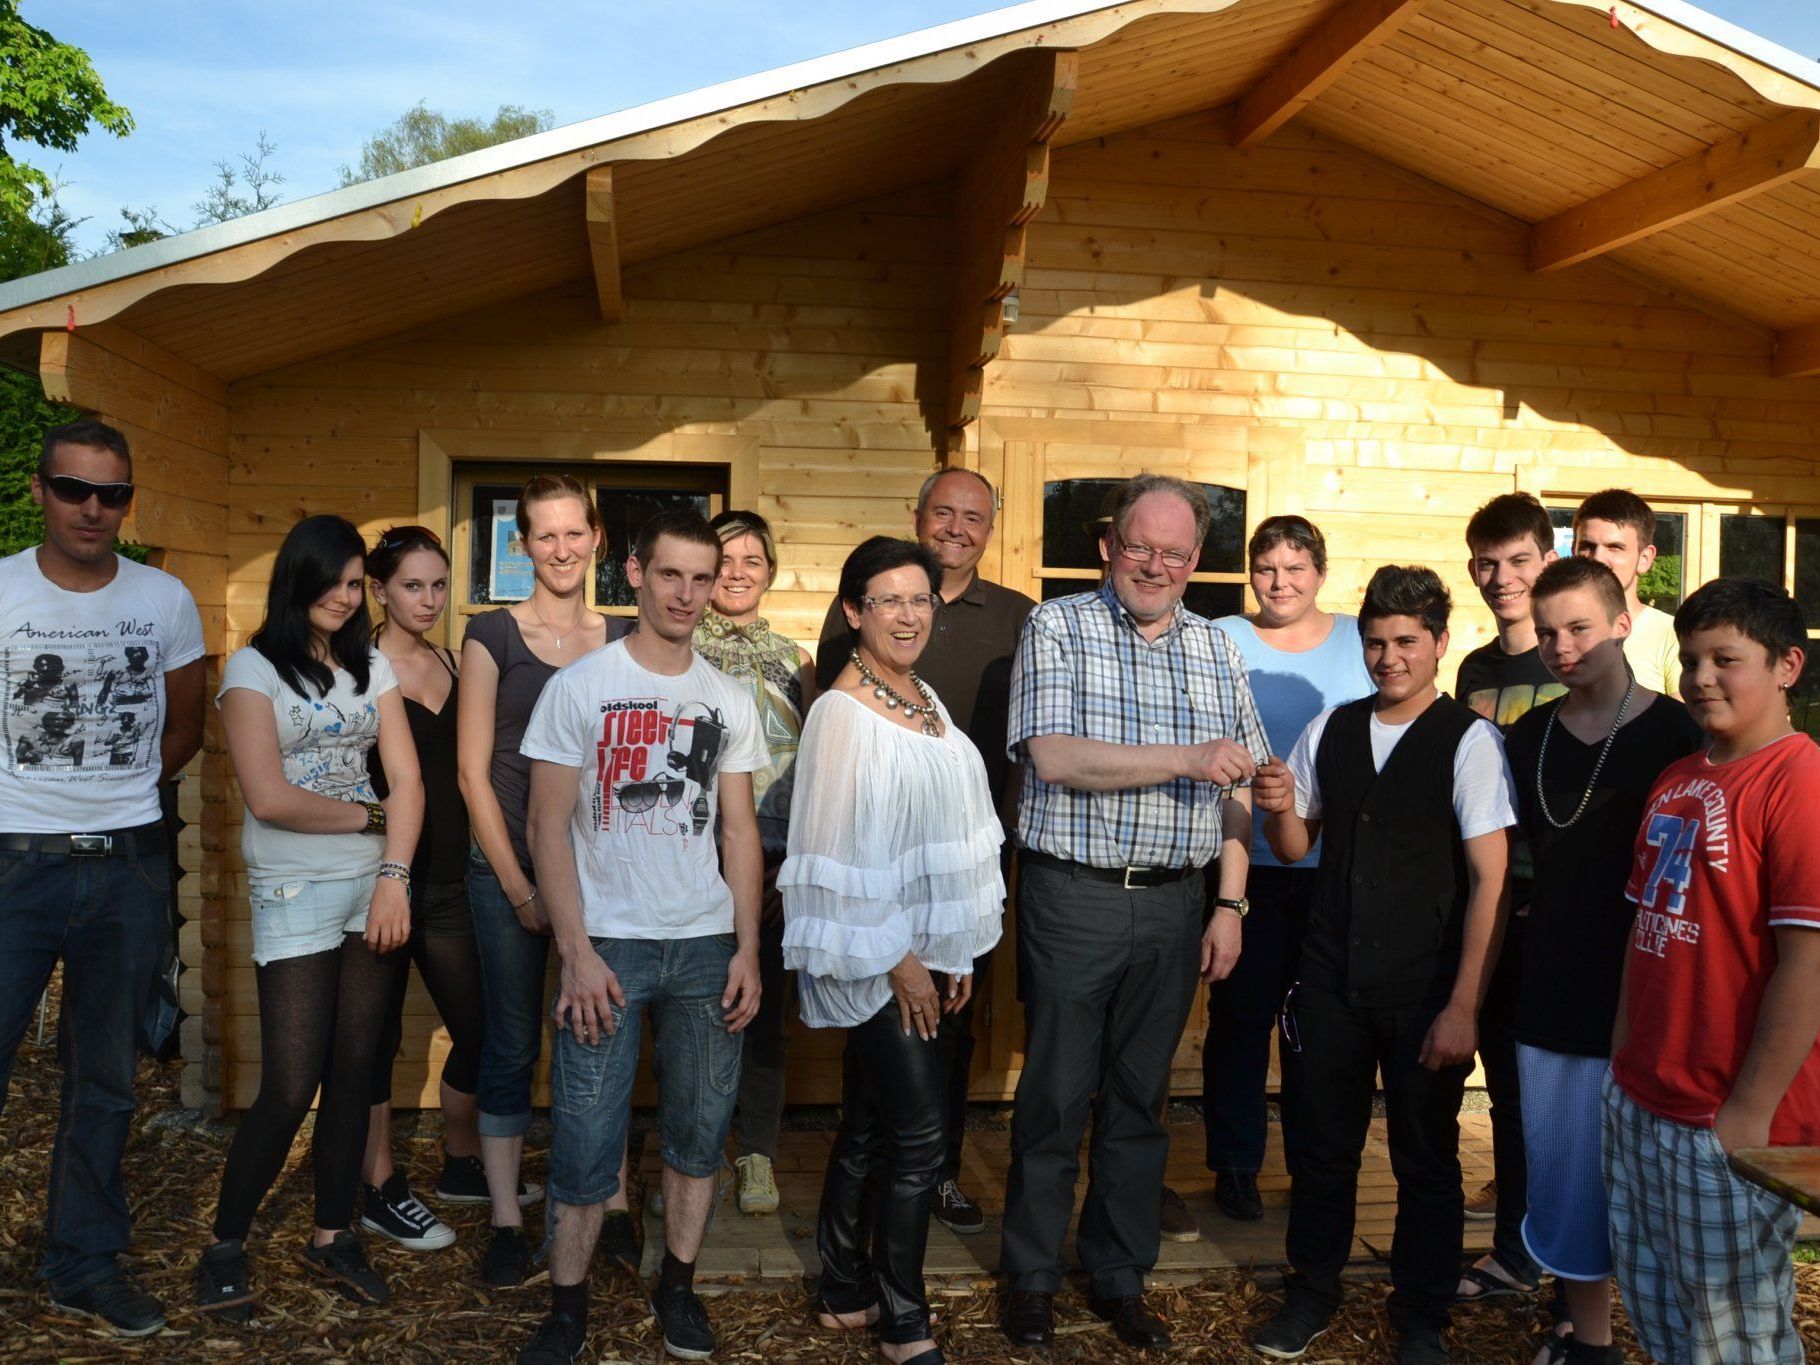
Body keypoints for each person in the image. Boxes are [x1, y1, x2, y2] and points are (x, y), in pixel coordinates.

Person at [998, 473, 1267, 1353]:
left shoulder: (1218, 649)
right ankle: (1032, 1277)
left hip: (1175, 903)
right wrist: (1187, 758)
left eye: (1175, 552)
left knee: (1140, 1106)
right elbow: (1055, 756)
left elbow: (1240, 789)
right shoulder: (1058, 625)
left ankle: (1118, 1273)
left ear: (1196, 561)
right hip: (1073, 896)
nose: (1155, 564)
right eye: (1140, 546)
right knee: (1055, 1098)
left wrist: (1229, 900)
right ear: (1110, 546)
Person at [514, 509, 766, 1365]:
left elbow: (739, 834)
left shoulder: (728, 699)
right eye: (671, 575)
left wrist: (747, 950)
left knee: (700, 1132)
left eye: (703, 578)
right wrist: (575, 952)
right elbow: (547, 826)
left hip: (704, 948)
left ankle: (679, 1289)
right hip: (609, 947)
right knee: (586, 1138)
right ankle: (567, 1305)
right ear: (635, 574)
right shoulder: (580, 686)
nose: (688, 594)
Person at [1250, 564, 1515, 1365]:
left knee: (1424, 1154)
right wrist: (1278, 809)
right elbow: (1298, 845)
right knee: (1320, 1145)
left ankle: (1423, 1310)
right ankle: (1312, 1290)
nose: (1389, 656)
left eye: (1407, 640)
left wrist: (1464, 1003)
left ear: (1438, 643)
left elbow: (1491, 879)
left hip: (1424, 983)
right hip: (1330, 975)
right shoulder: (1331, 728)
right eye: (1375, 641)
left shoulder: (1469, 741)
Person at [0, 420, 204, 1337]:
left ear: (129, 501)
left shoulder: (164, 600)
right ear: (39, 491)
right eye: (75, 488)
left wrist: (111, 794)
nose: (93, 507)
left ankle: (82, 1260)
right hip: (13, 864)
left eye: (112, 493)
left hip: (124, 866)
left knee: (106, 1079)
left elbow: (184, 727)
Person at [195, 514, 424, 1315]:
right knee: (291, 1084)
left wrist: (394, 871)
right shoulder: (253, 671)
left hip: (375, 890)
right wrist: (369, 818)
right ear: (297, 578)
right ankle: (225, 1243)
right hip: (295, 890)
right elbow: (270, 798)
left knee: (355, 1073)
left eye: (355, 581)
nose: (343, 594)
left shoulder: (371, 665)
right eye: (330, 578)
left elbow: (409, 778)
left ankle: (334, 1234)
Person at [785, 536, 1005, 1365]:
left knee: (873, 1125)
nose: (909, 614)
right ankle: (904, 1319)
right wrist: (902, 959)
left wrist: (955, 946)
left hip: (922, 950)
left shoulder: (923, 698)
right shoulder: (843, 714)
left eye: (921, 599)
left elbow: (942, 836)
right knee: (919, 1139)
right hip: (877, 957)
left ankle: (843, 1286)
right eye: (889, 600)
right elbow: (836, 853)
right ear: (854, 611)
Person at [1606, 577, 1820, 1364]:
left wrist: (1750, 1112)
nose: (1701, 677)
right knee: (1662, 1311)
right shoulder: (1678, 777)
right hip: (1642, 1093)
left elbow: (1810, 963)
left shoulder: (1800, 783)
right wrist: (1622, 1060)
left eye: (1726, 659)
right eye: (1691, 659)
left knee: (1733, 1335)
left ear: (1788, 665)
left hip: (1723, 1113)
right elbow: (1644, 931)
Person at [816, 466, 1034, 1235]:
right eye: (943, 511)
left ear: (990, 529)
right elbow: (834, 753)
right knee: (877, 1063)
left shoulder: (1017, 615)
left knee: (951, 1034)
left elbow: (1020, 744)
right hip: (879, 875)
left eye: (974, 516)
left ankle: (932, 1176)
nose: (956, 527)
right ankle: (886, 1202)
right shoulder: (870, 610)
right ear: (918, 515)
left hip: (961, 872)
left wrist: (989, 864)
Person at [1502, 558, 1701, 1365]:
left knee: (1660, 1188)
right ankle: (1589, 1340)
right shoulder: (1527, 734)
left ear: (1624, 622)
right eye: (1547, 632)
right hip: (1549, 983)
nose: (1561, 645)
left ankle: (1679, 1341)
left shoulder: (1682, 731)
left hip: (1656, 990)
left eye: (1579, 625)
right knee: (1566, 1175)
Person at [456, 474, 634, 1287]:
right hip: (510, 871)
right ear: (520, 544)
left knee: (605, 1033)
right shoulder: (492, 635)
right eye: (544, 535)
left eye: (574, 532)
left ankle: (614, 1198)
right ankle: (504, 1217)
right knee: (512, 1039)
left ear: (596, 537)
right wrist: (519, 886)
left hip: (604, 870)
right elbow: (470, 773)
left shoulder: (624, 635)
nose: (561, 549)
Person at [1204, 516, 1371, 1223]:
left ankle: (1313, 1159)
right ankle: (1236, 1162)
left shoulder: (1360, 640)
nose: (1279, 582)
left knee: (1319, 1024)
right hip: (1246, 862)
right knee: (1241, 1016)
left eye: (1295, 568)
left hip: (1333, 866)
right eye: (1266, 568)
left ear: (1320, 573)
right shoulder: (1224, 638)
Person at [356, 525, 486, 1253]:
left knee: (482, 1028)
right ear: (378, 589)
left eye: (439, 584)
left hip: (450, 883)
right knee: (372, 1040)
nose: (429, 599)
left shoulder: (454, 658)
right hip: (379, 882)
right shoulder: (357, 669)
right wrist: (385, 873)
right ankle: (379, 1184)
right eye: (412, 585)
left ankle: (461, 1160)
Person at [694, 509, 816, 1217]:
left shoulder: (795, 658)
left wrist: (788, 864)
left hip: (770, 865)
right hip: (689, 860)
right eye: (726, 560)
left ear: (769, 572)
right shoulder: (680, 647)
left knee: (763, 1016)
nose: (738, 574)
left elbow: (812, 769)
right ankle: (699, 1154)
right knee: (693, 1016)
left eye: (753, 562)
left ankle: (758, 1153)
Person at [1452, 492, 1557, 1307]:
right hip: (1490, 901)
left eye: (1518, 560)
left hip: (1554, 907)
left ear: (1546, 560)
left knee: (1547, 1091)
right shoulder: (1476, 672)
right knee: (1506, 1089)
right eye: (1487, 562)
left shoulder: (1567, 663)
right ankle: (1517, 1244)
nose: (1501, 577)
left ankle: (1541, 1248)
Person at [1569, 489, 1682, 695]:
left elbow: (1682, 724)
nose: (1598, 558)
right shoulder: (1552, 635)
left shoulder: (1673, 636)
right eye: (1587, 546)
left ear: (1645, 558)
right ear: (1573, 550)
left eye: (1614, 547)